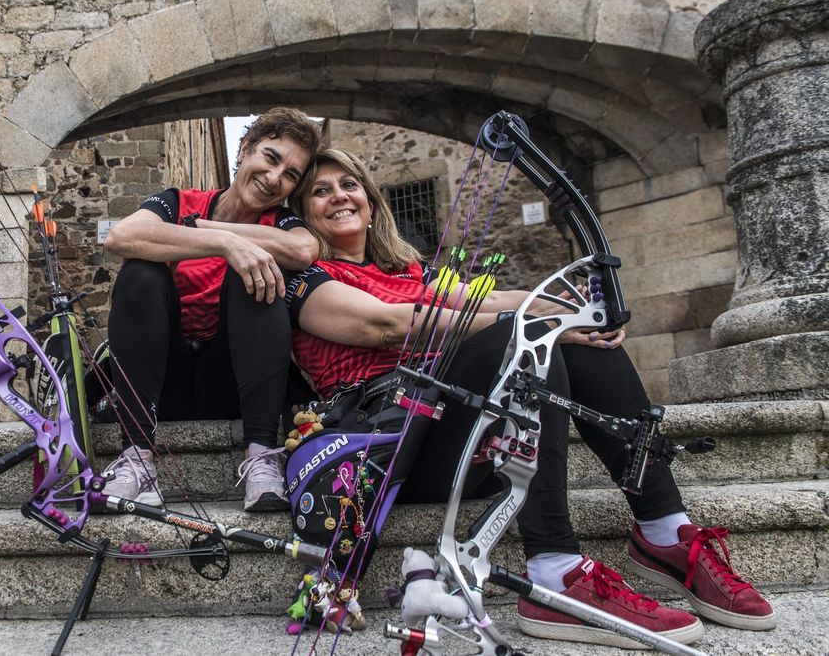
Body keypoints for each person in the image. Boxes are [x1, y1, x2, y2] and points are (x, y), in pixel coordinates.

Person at [283, 148, 775, 647]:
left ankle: (666, 532)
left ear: (369, 198)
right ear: (302, 213)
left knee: (581, 343)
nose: (339, 197)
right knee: (521, 340)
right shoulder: (305, 279)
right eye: (320, 192)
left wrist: (569, 309)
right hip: (394, 451)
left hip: (464, 435)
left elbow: (487, 297)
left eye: (349, 184)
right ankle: (554, 568)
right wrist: (535, 325)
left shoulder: (413, 272)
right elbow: (382, 324)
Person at [99, 108, 322, 512]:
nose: (274, 178)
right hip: (164, 381)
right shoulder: (179, 201)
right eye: (270, 158)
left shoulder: (281, 221)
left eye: (290, 174)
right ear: (245, 149)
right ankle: (137, 461)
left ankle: (260, 456)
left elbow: (303, 250)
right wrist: (223, 244)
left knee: (254, 267)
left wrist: (216, 235)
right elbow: (121, 236)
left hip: (235, 384)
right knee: (140, 272)